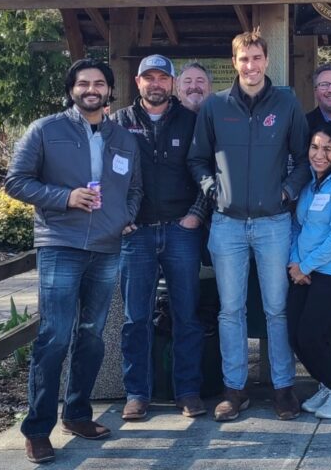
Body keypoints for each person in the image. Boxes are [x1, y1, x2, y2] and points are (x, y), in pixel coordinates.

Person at [6, 59, 142, 465]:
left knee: (92, 336)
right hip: (60, 243)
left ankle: (78, 414)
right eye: (83, 83)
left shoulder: (123, 137)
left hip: (106, 247)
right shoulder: (46, 130)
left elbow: (134, 187)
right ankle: (37, 429)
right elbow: (16, 181)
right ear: (71, 89)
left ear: (109, 90)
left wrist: (125, 218)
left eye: (99, 83)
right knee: (55, 337)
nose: (91, 89)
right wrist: (64, 197)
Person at [189, 29, 311, 422]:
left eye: (257, 58)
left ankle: (282, 388)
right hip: (226, 224)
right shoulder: (215, 106)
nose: (251, 66)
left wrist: (288, 193)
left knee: (277, 308)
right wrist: (212, 190)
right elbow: (197, 160)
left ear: (265, 61)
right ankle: (234, 389)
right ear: (234, 63)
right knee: (231, 310)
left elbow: (304, 160)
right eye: (244, 59)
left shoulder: (287, 104)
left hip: (273, 222)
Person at [114, 55, 208, 422]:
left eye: (162, 78)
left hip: (179, 230)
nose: (156, 84)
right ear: (138, 82)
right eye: (148, 78)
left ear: (172, 83)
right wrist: (120, 219)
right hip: (135, 234)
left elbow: (207, 170)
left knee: (187, 314)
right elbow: (106, 174)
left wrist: (196, 215)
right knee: (135, 317)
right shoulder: (119, 122)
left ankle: (188, 391)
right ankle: (137, 393)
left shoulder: (192, 121)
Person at [289, 127, 331, 420]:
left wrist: (306, 266)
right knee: (294, 335)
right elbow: (298, 227)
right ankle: (327, 386)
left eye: (327, 148)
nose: (320, 155)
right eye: (315, 148)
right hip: (302, 271)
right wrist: (295, 265)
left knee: (312, 336)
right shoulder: (309, 186)